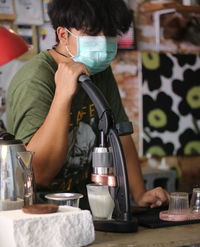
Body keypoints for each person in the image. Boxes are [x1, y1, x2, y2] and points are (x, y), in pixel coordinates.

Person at [6, 0, 169, 209]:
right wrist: (63, 95)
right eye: (92, 33)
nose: (103, 42)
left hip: (82, 209)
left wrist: (139, 194)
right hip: (37, 211)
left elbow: (120, 134)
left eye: (109, 33)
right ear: (63, 35)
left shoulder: (99, 71)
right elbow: (38, 175)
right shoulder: (35, 80)